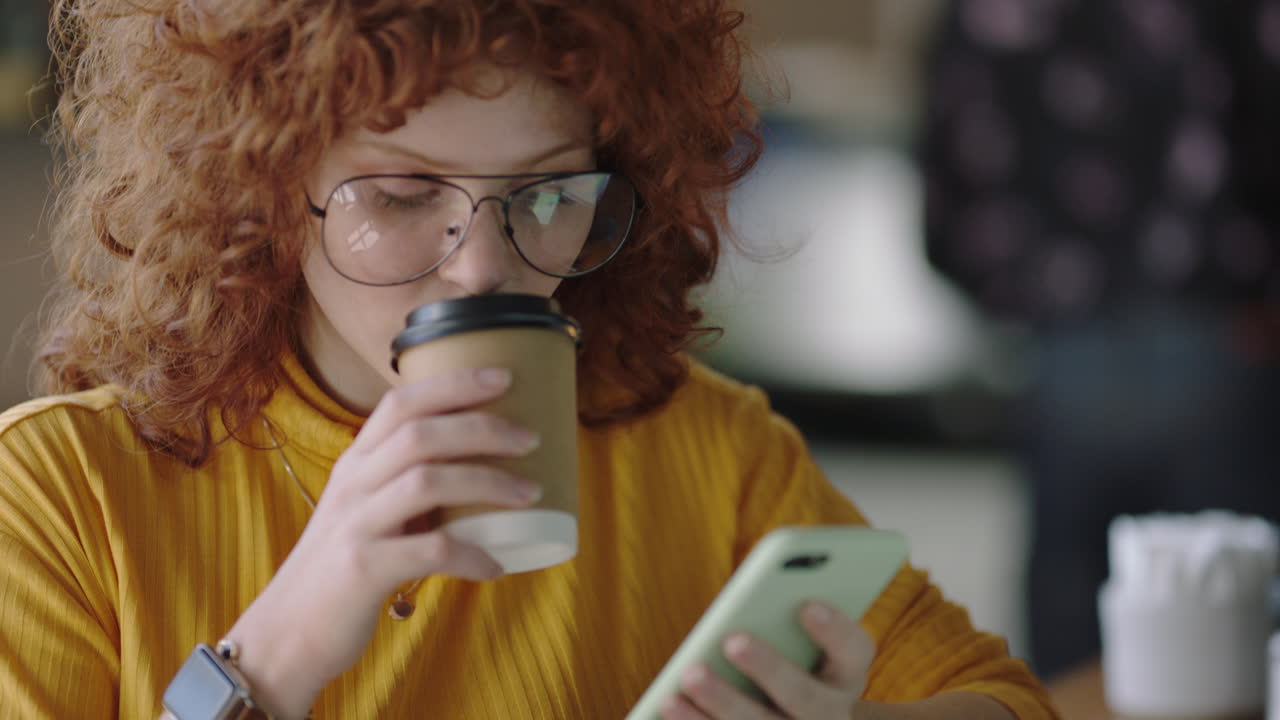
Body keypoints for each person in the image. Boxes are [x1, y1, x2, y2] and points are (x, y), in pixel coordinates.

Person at [0, 1, 1057, 718]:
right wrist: (272, 656)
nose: (481, 272)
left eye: (546, 195)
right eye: (403, 197)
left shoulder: (705, 451)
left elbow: (1002, 698)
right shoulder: (60, 496)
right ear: (266, 196)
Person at [921, 0, 1280, 681]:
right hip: (1220, 337)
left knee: (1073, 656)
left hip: (1066, 345)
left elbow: (946, 183)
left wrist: (1019, 295)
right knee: (1234, 658)